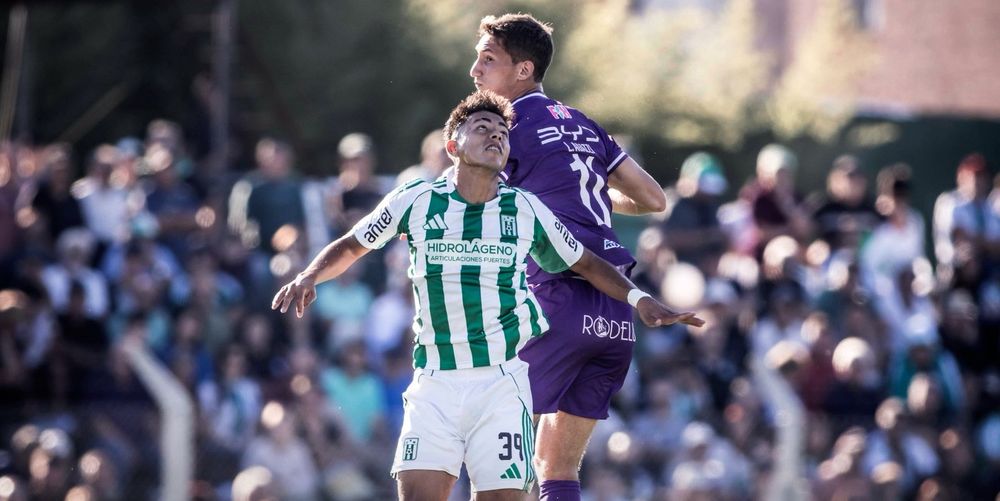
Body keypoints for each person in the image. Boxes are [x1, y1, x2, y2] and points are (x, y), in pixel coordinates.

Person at [272, 91, 702, 501]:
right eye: (482, 127)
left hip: (501, 385)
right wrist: (309, 276)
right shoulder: (416, 200)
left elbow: (586, 263)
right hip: (435, 384)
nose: (495, 135)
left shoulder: (525, 209)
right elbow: (352, 244)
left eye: (502, 132)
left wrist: (639, 300)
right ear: (452, 146)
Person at [468, 14, 681, 500]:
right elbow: (653, 199)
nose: (475, 70)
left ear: (523, 70)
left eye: (487, 59)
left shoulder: (504, 127)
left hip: (554, 298)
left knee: (493, 453)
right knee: (557, 471)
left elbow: (472, 200)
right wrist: (595, 199)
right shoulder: (583, 122)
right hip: (615, 312)